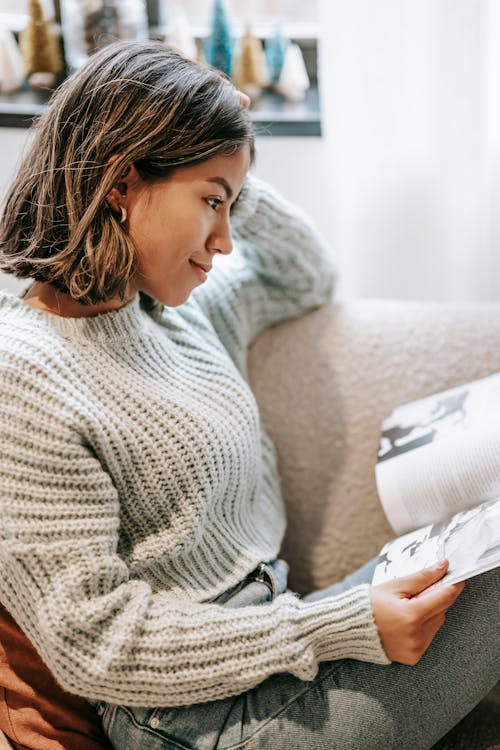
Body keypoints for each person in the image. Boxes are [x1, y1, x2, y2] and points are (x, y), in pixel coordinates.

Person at [0, 40, 497, 750]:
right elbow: (96, 642)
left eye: (230, 207)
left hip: (278, 640)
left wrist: (230, 171)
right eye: (210, 202)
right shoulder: (23, 373)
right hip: (188, 721)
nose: (226, 241)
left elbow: (308, 276)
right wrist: (336, 626)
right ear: (119, 182)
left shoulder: (180, 309)